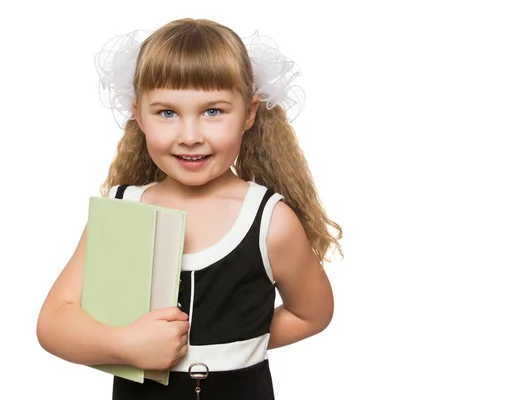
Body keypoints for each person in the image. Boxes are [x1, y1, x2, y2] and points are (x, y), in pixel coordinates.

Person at [36, 17, 343, 400]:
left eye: (213, 111)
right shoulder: (123, 210)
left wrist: (238, 345)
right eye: (167, 112)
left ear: (249, 113)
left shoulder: (270, 221)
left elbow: (311, 313)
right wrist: (126, 345)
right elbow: (54, 322)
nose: (190, 136)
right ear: (139, 114)